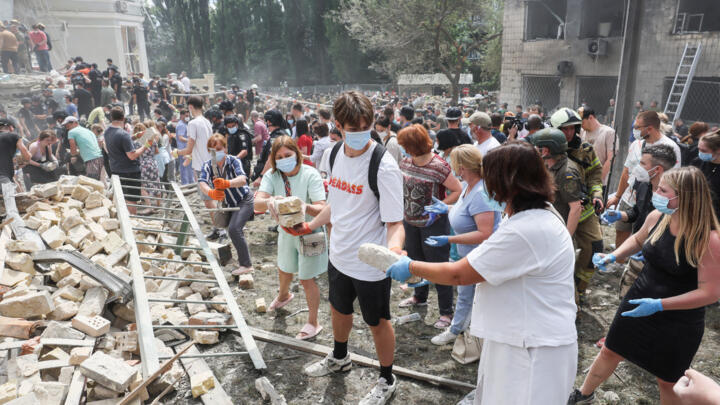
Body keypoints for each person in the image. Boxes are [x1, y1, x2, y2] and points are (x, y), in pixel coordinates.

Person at [386, 141, 578, 405]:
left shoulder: (528, 229)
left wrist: (410, 267)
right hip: (516, 336)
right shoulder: (532, 213)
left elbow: (458, 275)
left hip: (533, 347)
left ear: (506, 182)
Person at [569, 166, 720, 404]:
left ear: (685, 197)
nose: (656, 192)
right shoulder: (658, 217)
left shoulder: (708, 239)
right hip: (639, 298)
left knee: (668, 379)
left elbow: (710, 293)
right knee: (610, 350)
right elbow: (639, 240)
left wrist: (660, 304)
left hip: (679, 319)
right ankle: (582, 395)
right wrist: (613, 255)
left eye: (663, 189)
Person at [296, 91, 404, 404]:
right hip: (339, 253)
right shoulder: (332, 154)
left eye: (364, 127)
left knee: (377, 321)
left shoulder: (383, 166)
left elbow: (396, 223)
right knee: (339, 309)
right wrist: (310, 225)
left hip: (370, 261)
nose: (358, 134)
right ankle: (340, 357)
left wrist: (393, 253)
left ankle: (386, 378)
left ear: (372, 123)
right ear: (339, 126)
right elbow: (336, 203)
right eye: (351, 129)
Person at [255, 135, 328, 339]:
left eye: (288, 154)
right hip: (286, 232)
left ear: (297, 153)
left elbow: (322, 207)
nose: (284, 159)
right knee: (284, 267)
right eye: (279, 157)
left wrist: (304, 206)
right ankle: (283, 295)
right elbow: (257, 202)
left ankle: (313, 321)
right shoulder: (273, 175)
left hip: (310, 232)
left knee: (306, 278)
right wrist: (270, 200)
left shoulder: (310, 174)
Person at [427, 144, 500, 345]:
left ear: (462, 168)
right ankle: (462, 328)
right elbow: (467, 212)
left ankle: (459, 330)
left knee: (469, 294)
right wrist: (447, 208)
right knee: (466, 293)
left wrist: (449, 239)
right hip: (468, 252)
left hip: (478, 254)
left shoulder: (481, 192)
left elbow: (484, 232)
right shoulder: (470, 186)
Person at [396, 124, 462, 329]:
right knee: (415, 262)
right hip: (411, 222)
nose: (404, 149)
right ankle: (420, 297)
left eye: (406, 145)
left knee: (438, 266)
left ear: (415, 145)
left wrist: (442, 207)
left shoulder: (439, 165)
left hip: (433, 224)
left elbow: (457, 190)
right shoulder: (406, 162)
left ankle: (446, 312)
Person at [606, 110, 681, 264]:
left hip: (654, 199)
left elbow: (674, 179)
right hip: (632, 196)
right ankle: (620, 262)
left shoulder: (670, 147)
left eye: (638, 127)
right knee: (623, 229)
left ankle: (641, 262)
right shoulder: (636, 144)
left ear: (650, 128)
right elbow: (626, 172)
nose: (635, 130)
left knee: (647, 232)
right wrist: (618, 197)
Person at [198, 134, 255, 276]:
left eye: (219, 148)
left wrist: (227, 183)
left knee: (234, 229)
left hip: (243, 199)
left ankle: (246, 264)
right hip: (228, 203)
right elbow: (202, 182)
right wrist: (210, 193)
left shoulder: (233, 161)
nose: (216, 152)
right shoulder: (208, 165)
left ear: (225, 148)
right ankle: (239, 259)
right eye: (212, 149)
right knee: (227, 227)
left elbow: (242, 179)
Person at [176, 96, 221, 240]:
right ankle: (218, 227)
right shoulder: (206, 121)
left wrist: (177, 152)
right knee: (213, 198)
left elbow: (189, 148)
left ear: (190, 107)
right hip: (210, 162)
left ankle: (220, 229)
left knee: (208, 200)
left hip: (202, 166)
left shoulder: (193, 123)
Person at [103, 107, 149, 214]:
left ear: (111, 118)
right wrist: (146, 146)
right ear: (123, 118)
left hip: (115, 169)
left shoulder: (107, 132)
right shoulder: (123, 134)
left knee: (121, 199)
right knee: (131, 200)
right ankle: (132, 224)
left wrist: (134, 136)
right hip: (129, 172)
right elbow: (132, 156)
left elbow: (119, 144)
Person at [63, 116, 104, 180]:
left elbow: (73, 150)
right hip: (99, 158)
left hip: (91, 159)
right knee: (96, 182)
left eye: (68, 125)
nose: (67, 127)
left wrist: (73, 156)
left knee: (91, 182)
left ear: (75, 123)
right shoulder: (88, 131)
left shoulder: (71, 132)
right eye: (65, 126)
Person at [693, 131, 720, 218]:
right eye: (699, 149)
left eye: (704, 150)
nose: (700, 153)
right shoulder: (697, 162)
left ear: (718, 150)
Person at [175, 109, 194, 185]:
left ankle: (190, 181)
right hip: (183, 149)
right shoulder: (181, 125)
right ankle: (186, 183)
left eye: (188, 116)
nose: (187, 117)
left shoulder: (185, 124)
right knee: (184, 167)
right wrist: (190, 141)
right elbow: (180, 137)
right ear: (181, 115)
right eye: (186, 116)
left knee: (188, 166)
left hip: (186, 149)